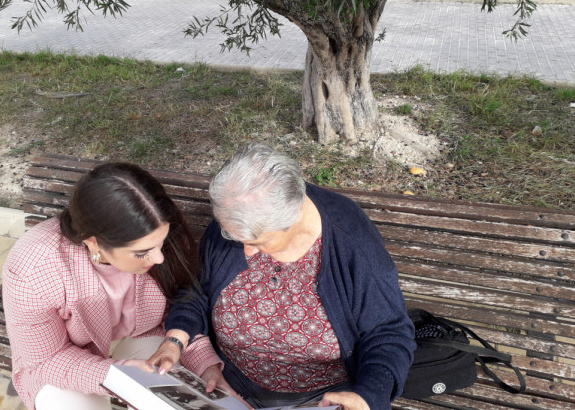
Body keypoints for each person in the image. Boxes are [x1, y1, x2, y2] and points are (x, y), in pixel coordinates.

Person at [150, 143, 416, 410]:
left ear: (294, 217)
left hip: (324, 399)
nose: (247, 250)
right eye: (235, 237)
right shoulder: (238, 219)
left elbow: (389, 332)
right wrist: (177, 339)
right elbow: (195, 291)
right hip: (228, 384)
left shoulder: (351, 242)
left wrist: (368, 397)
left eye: (260, 241)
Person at [2, 162, 222, 410]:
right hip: (67, 359)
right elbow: (45, 359)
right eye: (142, 253)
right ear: (94, 244)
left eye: (161, 244)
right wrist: (115, 373)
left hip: (147, 337)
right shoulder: (34, 270)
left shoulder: (158, 234)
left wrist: (204, 364)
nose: (160, 258)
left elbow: (182, 302)